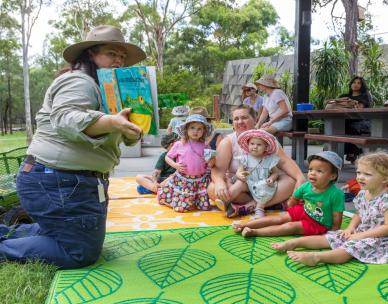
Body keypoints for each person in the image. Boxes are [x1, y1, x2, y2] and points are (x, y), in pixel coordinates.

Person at [0, 25, 145, 269]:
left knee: (74, 237)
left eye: (122, 56)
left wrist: (131, 130)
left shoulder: (110, 92)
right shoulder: (79, 81)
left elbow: (115, 133)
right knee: (79, 252)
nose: (119, 60)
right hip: (58, 180)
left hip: (69, 181)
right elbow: (66, 118)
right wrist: (112, 121)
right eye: (111, 54)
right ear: (91, 54)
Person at [272, 151, 388, 266]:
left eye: (367, 174)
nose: (360, 178)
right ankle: (294, 243)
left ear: (385, 178)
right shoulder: (363, 193)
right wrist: (350, 228)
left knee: (352, 247)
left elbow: (386, 228)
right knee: (333, 236)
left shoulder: (385, 199)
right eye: (358, 173)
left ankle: (317, 257)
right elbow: (358, 214)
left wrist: (361, 236)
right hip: (362, 231)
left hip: (379, 238)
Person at [208, 104, 306, 217]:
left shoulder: (267, 139)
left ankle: (251, 206)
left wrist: (300, 178)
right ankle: (269, 203)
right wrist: (220, 183)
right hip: (241, 188)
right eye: (236, 119)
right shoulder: (228, 141)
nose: (240, 121)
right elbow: (218, 170)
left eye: (244, 117)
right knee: (212, 189)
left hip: (265, 184)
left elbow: (283, 161)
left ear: (254, 120)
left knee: (291, 181)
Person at [234, 151, 345, 237]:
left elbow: (337, 216)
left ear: (332, 176)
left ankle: (255, 232)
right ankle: (244, 225)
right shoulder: (306, 186)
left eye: (319, 171)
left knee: (290, 226)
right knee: (278, 219)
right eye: (311, 169)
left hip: (318, 223)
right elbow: (294, 198)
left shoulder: (336, 194)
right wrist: (291, 209)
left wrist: (333, 233)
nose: (312, 174)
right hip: (303, 211)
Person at [215, 129, 280, 219]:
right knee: (240, 184)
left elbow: (276, 173)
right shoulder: (245, 158)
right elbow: (239, 171)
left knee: (265, 188)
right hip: (249, 183)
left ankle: (259, 209)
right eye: (252, 144)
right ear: (248, 145)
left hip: (262, 184)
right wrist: (240, 175)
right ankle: (227, 199)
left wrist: (272, 179)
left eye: (259, 145)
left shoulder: (269, 160)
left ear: (266, 147)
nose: (255, 147)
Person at [158, 114, 214, 212]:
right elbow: (167, 157)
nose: (195, 131)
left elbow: (209, 162)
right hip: (184, 180)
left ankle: (195, 201)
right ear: (186, 129)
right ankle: (175, 200)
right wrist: (175, 165)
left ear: (204, 132)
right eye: (192, 128)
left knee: (204, 207)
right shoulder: (180, 144)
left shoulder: (205, 146)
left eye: (199, 129)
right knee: (181, 208)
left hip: (200, 180)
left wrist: (210, 161)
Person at [338, 76, 373, 163]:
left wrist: (344, 104)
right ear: (351, 84)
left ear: (362, 86)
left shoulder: (365, 96)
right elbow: (334, 104)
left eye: (359, 83)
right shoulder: (344, 96)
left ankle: (352, 152)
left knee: (350, 126)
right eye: (354, 82)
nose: (356, 84)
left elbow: (359, 108)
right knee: (339, 127)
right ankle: (353, 152)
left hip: (361, 121)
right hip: (344, 121)